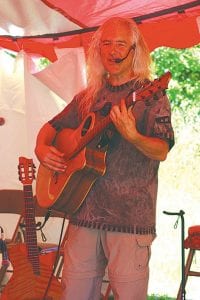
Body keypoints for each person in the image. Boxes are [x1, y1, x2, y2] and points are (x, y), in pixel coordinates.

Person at [35, 16, 174, 300]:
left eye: (121, 44)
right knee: (74, 294)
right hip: (82, 214)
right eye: (106, 44)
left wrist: (133, 136)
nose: (113, 51)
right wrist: (41, 149)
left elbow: (162, 150)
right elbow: (51, 129)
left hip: (129, 218)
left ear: (135, 50)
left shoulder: (151, 96)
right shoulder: (89, 96)